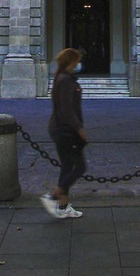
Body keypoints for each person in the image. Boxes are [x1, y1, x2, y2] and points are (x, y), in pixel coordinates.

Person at [40, 48, 87, 219]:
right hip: (65, 131)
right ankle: (54, 196)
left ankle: (63, 207)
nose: (79, 63)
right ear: (71, 62)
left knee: (68, 167)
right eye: (78, 60)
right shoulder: (66, 80)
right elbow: (66, 110)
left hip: (62, 129)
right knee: (79, 167)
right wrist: (79, 129)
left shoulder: (63, 78)